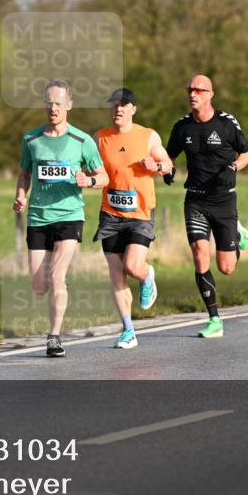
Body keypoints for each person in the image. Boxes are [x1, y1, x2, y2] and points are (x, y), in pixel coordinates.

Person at [14, 79, 108, 357]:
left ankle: (53, 337)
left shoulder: (82, 140)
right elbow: (24, 174)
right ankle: (60, 285)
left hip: (70, 215)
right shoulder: (31, 140)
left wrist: (88, 181)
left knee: (56, 276)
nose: (53, 108)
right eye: (49, 103)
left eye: (58, 103)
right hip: (38, 216)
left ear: (69, 105)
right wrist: (20, 195)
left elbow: (103, 176)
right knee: (39, 286)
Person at [165, 74, 248, 338]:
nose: (193, 94)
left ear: (210, 94)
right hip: (195, 200)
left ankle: (236, 232)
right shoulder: (182, 127)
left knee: (226, 267)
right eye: (190, 90)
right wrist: (167, 170)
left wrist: (234, 166)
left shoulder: (226, 123)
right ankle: (214, 319)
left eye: (199, 90)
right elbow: (168, 156)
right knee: (199, 253)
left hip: (224, 199)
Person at [93, 88, 173, 349]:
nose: (118, 109)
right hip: (110, 214)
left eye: (124, 105)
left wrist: (156, 166)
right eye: (115, 105)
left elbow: (168, 165)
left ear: (133, 109)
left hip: (140, 214)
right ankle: (128, 330)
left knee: (132, 266)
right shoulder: (100, 138)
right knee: (117, 274)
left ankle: (147, 275)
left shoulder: (148, 136)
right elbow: (91, 167)